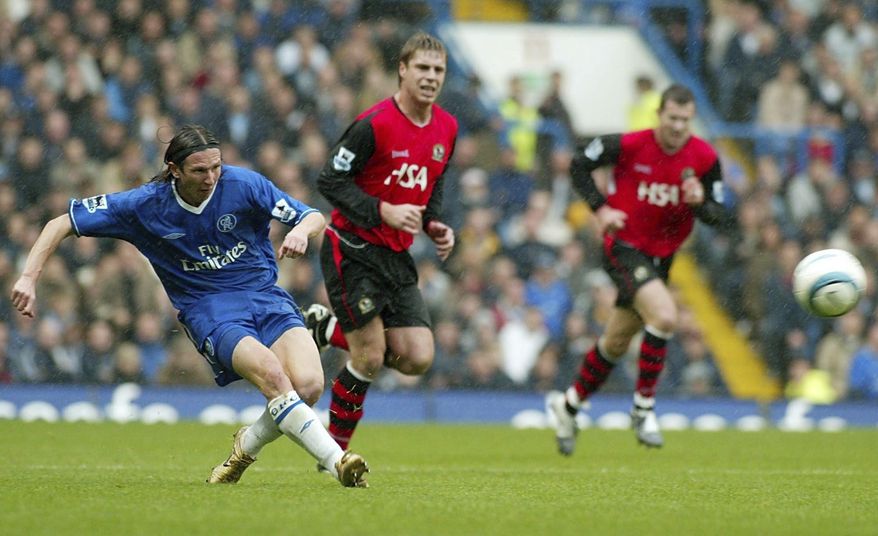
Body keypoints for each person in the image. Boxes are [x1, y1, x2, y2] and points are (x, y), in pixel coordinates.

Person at [10, 124, 369, 488]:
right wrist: (28, 277)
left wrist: (298, 231)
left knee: (307, 387)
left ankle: (247, 444)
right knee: (274, 378)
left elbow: (313, 216)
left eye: (216, 167)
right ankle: (339, 462)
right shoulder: (144, 205)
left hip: (266, 296)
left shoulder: (244, 184)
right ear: (175, 170)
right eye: (200, 170)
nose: (212, 177)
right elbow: (61, 223)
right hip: (210, 310)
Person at [547, 84, 734, 454]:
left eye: (685, 119)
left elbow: (719, 215)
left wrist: (700, 204)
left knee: (615, 342)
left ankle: (568, 406)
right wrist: (601, 209)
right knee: (665, 316)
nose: (678, 126)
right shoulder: (629, 145)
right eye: (672, 118)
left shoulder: (705, 158)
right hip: (624, 246)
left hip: (663, 259)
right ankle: (643, 407)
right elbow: (578, 163)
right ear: (659, 115)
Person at [302, 32, 458, 452]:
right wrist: (383, 211)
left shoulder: (447, 127)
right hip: (350, 247)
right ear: (402, 71)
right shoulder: (374, 124)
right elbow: (329, 180)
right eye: (422, 68)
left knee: (417, 357)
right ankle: (335, 454)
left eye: (438, 70)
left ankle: (325, 328)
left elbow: (434, 182)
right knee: (369, 355)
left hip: (395, 253)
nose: (430, 77)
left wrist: (436, 223)